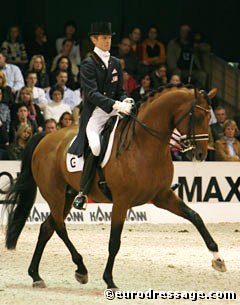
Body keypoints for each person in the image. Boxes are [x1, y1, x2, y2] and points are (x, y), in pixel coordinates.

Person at [69, 22, 133, 210]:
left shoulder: (115, 62)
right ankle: (82, 192)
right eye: (104, 38)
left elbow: (120, 90)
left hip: (115, 110)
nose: (108, 41)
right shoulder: (88, 64)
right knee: (96, 146)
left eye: (109, 38)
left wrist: (125, 100)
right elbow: (91, 94)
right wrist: (114, 104)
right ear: (93, 40)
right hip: (95, 115)